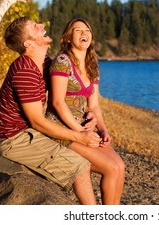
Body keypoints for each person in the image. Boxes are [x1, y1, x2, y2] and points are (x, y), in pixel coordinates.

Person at [0, 16, 102, 205]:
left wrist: (90, 112)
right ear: (28, 43)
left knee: (81, 158)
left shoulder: (44, 62)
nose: (42, 26)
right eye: (35, 27)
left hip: (29, 131)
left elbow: (67, 92)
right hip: (15, 139)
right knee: (80, 166)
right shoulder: (24, 70)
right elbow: (37, 121)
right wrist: (79, 135)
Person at [46, 18, 125, 205]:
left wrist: (103, 130)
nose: (84, 33)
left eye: (87, 30)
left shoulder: (92, 64)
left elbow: (93, 106)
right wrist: (81, 133)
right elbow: (57, 103)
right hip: (62, 130)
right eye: (77, 30)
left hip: (83, 128)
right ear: (67, 37)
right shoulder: (62, 61)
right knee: (111, 168)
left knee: (120, 166)